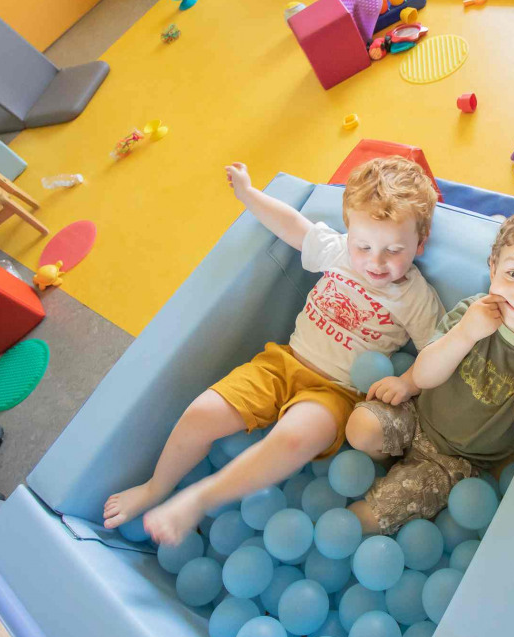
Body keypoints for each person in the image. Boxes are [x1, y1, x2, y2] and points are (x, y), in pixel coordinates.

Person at [103, 157, 444, 544]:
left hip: (336, 393)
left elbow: (439, 351)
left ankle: (199, 498)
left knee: (293, 438)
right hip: (281, 364)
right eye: (363, 245)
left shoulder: (414, 297)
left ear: (421, 240)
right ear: (349, 232)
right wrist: (249, 194)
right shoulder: (338, 253)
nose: (375, 262)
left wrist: (407, 382)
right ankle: (156, 486)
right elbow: (291, 225)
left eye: (394, 250)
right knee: (201, 413)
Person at [344, 203, 514, 535]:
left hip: (457, 462)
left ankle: (402, 483)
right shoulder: (473, 311)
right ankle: (389, 461)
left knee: (363, 521)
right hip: (418, 415)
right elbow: (425, 376)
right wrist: (463, 335)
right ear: (493, 269)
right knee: (359, 428)